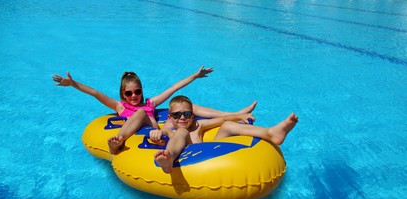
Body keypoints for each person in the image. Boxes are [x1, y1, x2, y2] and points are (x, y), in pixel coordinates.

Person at [52, 66, 257, 154]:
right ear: (123, 94)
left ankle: (237, 113)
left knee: (188, 106)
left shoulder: (151, 103)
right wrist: (74, 84)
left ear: (142, 91)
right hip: (138, 132)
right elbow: (96, 93)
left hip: (156, 128)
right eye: (129, 93)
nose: (134, 96)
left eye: (137, 92)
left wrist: (194, 77)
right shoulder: (120, 106)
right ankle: (118, 141)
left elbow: (174, 88)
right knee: (140, 113)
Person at [150, 95, 298, 173]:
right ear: (170, 118)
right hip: (189, 159)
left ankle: (271, 133)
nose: (182, 118)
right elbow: (160, 132)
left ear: (193, 116)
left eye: (187, 114)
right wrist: (156, 133)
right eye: (177, 115)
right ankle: (169, 159)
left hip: (210, 151)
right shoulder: (171, 131)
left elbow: (222, 119)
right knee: (182, 131)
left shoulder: (198, 125)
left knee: (227, 125)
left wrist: (239, 116)